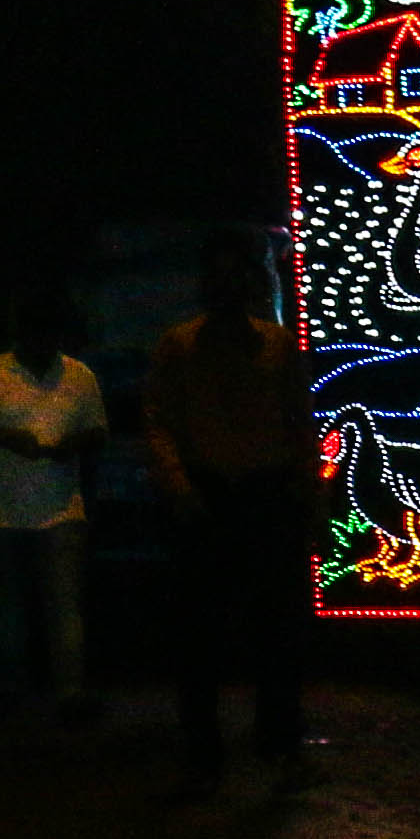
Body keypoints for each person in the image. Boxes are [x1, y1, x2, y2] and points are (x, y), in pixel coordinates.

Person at [147, 250, 311, 791]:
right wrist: (179, 483)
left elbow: (298, 421)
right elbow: (161, 420)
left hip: (255, 491)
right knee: (211, 632)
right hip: (216, 492)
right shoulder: (185, 345)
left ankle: (259, 747)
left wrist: (301, 485)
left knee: (266, 629)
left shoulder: (270, 345)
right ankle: (221, 751)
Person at [0, 292, 107, 712]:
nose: (44, 342)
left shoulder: (79, 376)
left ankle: (69, 693)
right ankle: (12, 690)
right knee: (11, 605)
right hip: (2, 510)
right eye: (37, 334)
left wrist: (71, 444)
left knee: (63, 604)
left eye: (50, 334)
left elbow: (98, 431)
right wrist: (5, 438)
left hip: (61, 508)